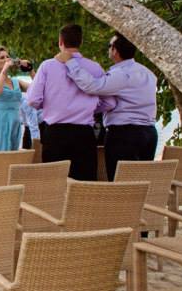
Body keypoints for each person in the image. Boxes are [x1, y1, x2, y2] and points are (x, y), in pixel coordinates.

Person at [57, 33, 157, 180]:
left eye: (110, 46)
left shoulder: (121, 74)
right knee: (142, 182)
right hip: (149, 133)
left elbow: (92, 86)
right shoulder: (147, 73)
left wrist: (71, 63)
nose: (108, 49)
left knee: (120, 183)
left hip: (125, 134)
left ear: (115, 51)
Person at [27, 24, 115, 180]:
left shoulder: (47, 66)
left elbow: (33, 100)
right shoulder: (94, 68)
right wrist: (89, 107)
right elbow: (110, 103)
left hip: (55, 134)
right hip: (84, 134)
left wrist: (50, 105)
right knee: (83, 185)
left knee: (54, 184)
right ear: (80, 42)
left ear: (60, 42)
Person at [0, 46, 32, 151]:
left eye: (7, 57)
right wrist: (4, 70)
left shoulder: (15, 81)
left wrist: (30, 69)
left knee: (11, 157)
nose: (6, 59)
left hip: (14, 125)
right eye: (2, 58)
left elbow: (37, 89)